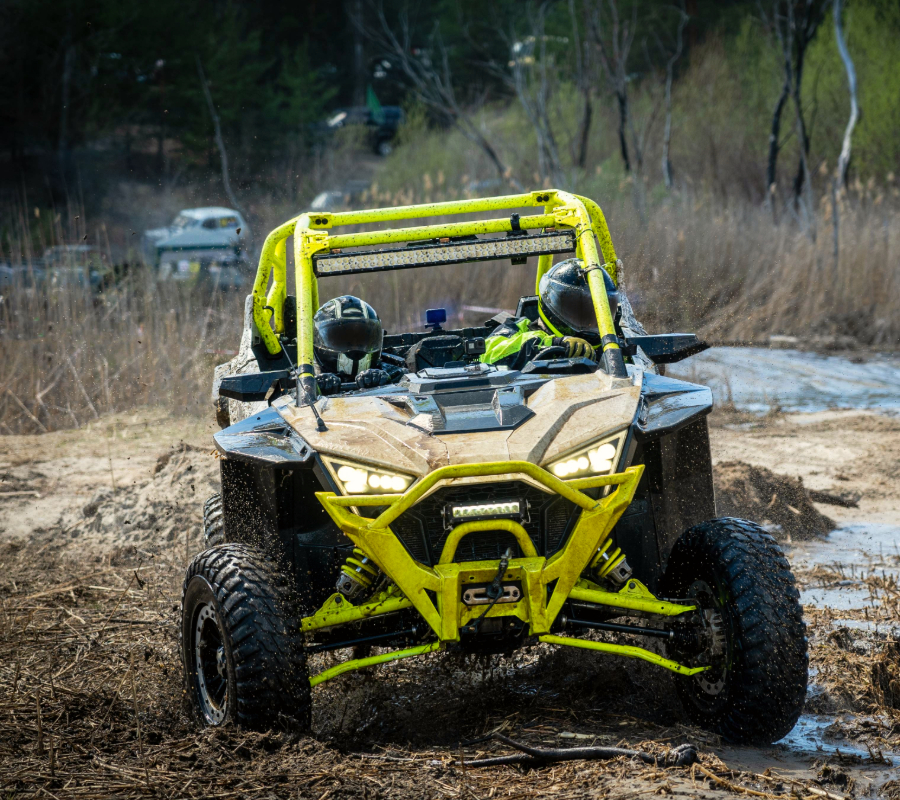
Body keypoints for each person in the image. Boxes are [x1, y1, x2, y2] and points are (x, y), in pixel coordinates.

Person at [481, 258, 619, 370]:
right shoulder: (518, 328)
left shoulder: (611, 342)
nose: (588, 323)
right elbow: (488, 354)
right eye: (577, 312)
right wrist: (554, 343)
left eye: (595, 313)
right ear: (551, 305)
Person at [313, 295, 404, 394]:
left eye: (361, 340)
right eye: (343, 340)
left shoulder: (393, 371)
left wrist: (386, 382)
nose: (354, 348)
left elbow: (410, 381)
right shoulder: (304, 377)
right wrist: (314, 388)